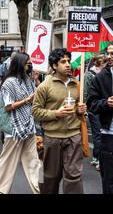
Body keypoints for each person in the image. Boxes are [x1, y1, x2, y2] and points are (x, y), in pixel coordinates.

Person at [32, 48, 87, 194]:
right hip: (52, 138)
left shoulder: (77, 85)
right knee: (50, 177)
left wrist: (80, 111)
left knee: (74, 176)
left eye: (68, 61)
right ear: (55, 66)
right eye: (63, 62)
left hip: (74, 137)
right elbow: (35, 111)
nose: (68, 64)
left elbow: (80, 111)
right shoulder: (44, 86)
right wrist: (56, 113)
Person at [0, 53, 40, 194]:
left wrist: (36, 80)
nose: (30, 66)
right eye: (28, 64)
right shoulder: (9, 82)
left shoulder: (28, 80)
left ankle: (38, 188)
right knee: (8, 161)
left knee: (33, 161)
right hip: (14, 128)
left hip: (28, 125)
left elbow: (37, 97)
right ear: (20, 64)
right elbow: (8, 106)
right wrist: (26, 100)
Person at [87, 44, 113, 194]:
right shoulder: (100, 77)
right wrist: (105, 103)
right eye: (108, 53)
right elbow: (91, 103)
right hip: (108, 134)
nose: (110, 57)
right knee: (109, 178)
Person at [84, 53, 106, 171]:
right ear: (100, 63)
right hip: (94, 108)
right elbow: (86, 92)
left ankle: (99, 157)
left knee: (104, 133)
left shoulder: (105, 74)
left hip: (104, 107)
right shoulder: (89, 75)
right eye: (105, 62)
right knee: (97, 133)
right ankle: (97, 158)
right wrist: (86, 107)